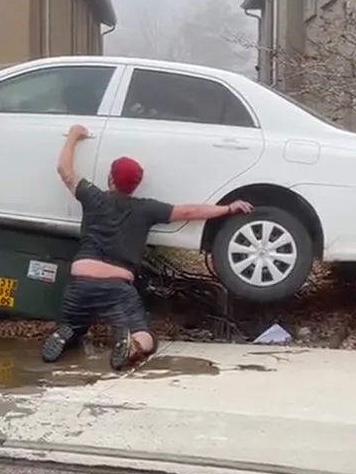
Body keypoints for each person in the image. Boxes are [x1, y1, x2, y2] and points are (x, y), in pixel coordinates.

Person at [42, 124, 254, 370]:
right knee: (147, 338)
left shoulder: (93, 196)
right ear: (136, 186)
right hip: (117, 286)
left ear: (110, 178)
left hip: (80, 283)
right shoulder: (147, 209)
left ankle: (66, 333)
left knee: (73, 327)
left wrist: (73, 136)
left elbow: (64, 170)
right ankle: (132, 343)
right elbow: (191, 211)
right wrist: (228, 208)